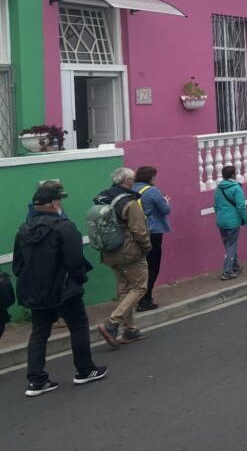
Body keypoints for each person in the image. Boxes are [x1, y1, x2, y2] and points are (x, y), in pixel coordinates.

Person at [14, 186, 107, 396]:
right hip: (64, 289)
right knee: (78, 326)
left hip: (36, 291)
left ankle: (36, 381)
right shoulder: (64, 227)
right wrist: (79, 280)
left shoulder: (23, 230)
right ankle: (85, 370)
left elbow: (18, 266)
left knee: (39, 333)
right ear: (56, 204)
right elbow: (75, 261)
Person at [94, 167, 151, 348]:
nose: (133, 182)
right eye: (132, 179)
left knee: (125, 290)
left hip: (109, 252)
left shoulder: (102, 197)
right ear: (127, 181)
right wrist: (146, 247)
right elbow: (139, 230)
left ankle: (131, 329)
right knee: (140, 288)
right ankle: (112, 323)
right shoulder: (129, 202)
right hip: (129, 252)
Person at [133, 165, 170, 311]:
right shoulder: (152, 191)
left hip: (136, 231)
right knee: (152, 266)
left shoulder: (131, 188)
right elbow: (166, 210)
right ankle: (146, 299)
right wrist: (166, 201)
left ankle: (138, 297)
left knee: (140, 266)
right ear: (151, 177)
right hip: (153, 231)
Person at [214, 165, 247, 281]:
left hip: (221, 221)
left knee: (228, 245)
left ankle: (235, 266)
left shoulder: (218, 188)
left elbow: (215, 205)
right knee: (232, 246)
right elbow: (241, 206)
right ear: (233, 175)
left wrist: (220, 216)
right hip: (233, 222)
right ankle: (227, 271)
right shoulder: (236, 188)